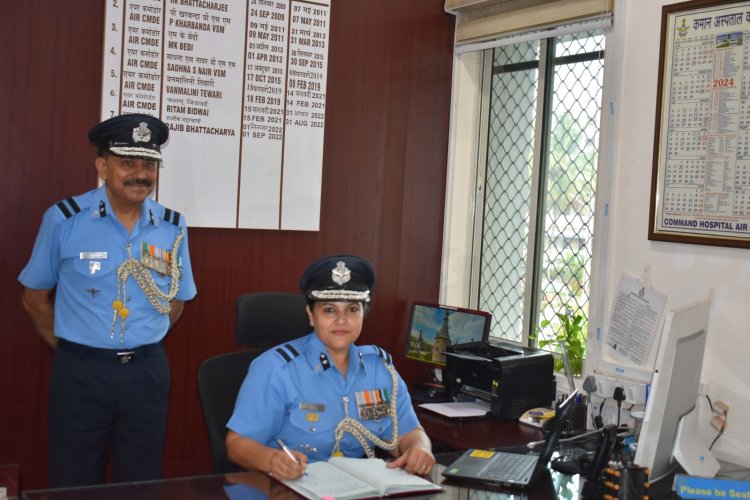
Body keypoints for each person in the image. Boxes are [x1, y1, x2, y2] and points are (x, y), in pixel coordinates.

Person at [18, 113, 197, 487]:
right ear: (102, 166)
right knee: (74, 480)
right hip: (81, 373)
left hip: (147, 373)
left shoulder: (172, 226)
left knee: (141, 482)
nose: (140, 173)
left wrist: (142, 335)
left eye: (149, 163)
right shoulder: (65, 219)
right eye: (127, 162)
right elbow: (34, 298)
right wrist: (71, 347)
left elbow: (176, 300)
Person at [225, 255, 435, 480]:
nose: (342, 320)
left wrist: (420, 449)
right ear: (310, 315)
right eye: (329, 310)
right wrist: (272, 460)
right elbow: (236, 445)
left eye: (352, 309)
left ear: (364, 314)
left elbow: (408, 433)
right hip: (290, 487)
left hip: (358, 488)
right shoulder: (276, 369)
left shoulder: (379, 369)